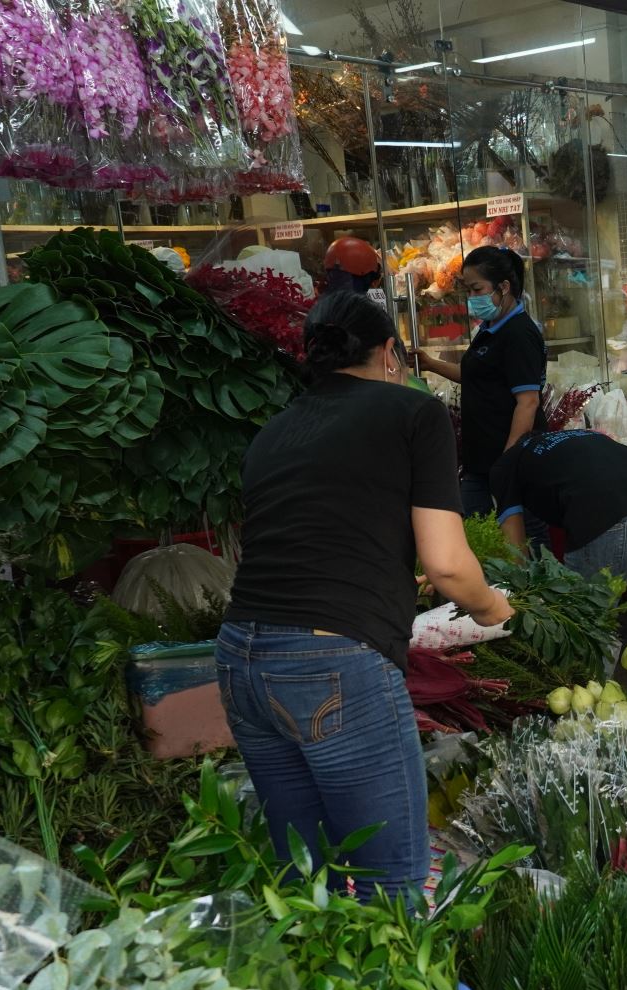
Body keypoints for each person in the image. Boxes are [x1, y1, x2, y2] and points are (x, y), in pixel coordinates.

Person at [217, 290, 513, 900]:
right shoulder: (412, 412)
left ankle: (316, 987)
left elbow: (308, 541)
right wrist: (493, 609)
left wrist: (385, 574)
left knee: (302, 875)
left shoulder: (274, 430)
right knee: (391, 882)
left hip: (241, 657)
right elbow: (450, 566)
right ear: (388, 354)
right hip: (331, 663)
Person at [490, 430, 627, 669]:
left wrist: (523, 597)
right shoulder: (581, 438)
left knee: (589, 642)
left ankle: (594, 702)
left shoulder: (505, 465)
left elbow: (515, 545)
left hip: (606, 521)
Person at [415, 247, 547, 516]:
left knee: (523, 540)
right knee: (475, 530)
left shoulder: (518, 334)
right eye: (468, 291)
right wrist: (430, 364)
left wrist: (508, 462)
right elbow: (476, 377)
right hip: (481, 460)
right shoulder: (488, 328)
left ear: (504, 287)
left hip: (507, 460)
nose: (472, 298)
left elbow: (528, 402)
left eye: (477, 289)